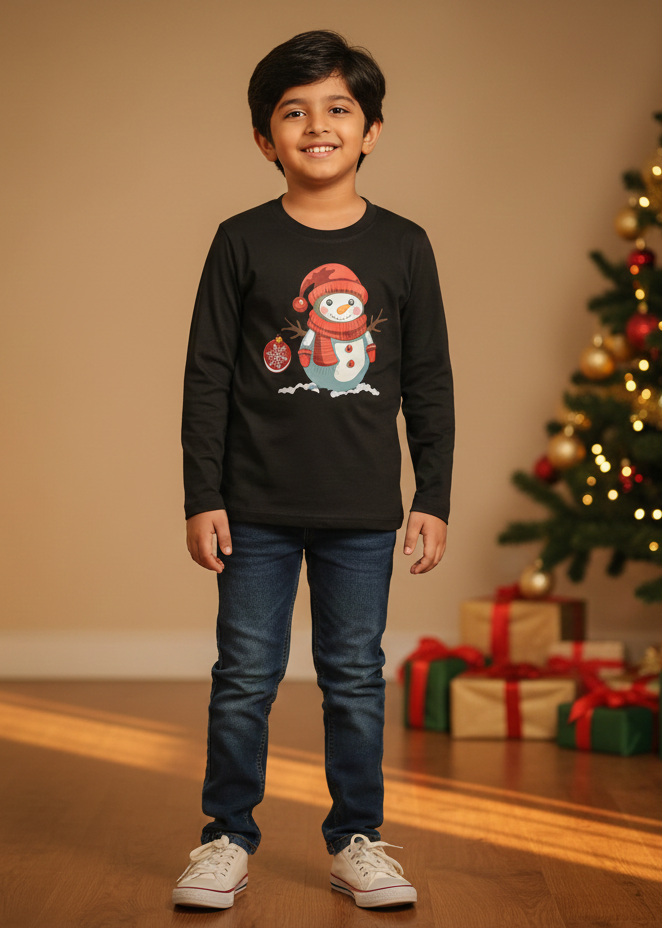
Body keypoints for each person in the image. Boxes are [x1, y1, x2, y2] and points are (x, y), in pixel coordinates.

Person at [174, 28, 454, 911]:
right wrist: (202, 496)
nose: (317, 125)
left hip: (364, 512)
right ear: (266, 138)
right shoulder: (240, 241)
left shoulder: (405, 246)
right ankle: (224, 838)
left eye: (338, 108)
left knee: (353, 676)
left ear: (370, 130)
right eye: (293, 112)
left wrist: (432, 496)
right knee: (244, 676)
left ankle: (357, 839)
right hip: (251, 508)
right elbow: (208, 374)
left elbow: (426, 380)